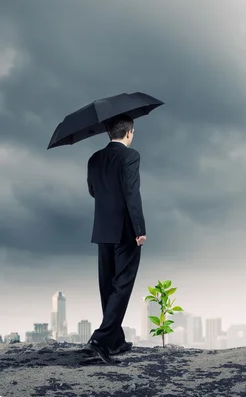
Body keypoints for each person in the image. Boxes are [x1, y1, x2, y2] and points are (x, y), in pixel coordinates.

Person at [84, 114, 146, 364]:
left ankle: (115, 341)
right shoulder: (130, 156)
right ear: (129, 132)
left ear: (109, 133)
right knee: (122, 285)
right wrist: (139, 228)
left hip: (102, 229)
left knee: (107, 285)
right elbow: (132, 192)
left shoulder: (94, 158)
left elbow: (92, 190)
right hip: (125, 230)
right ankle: (100, 339)